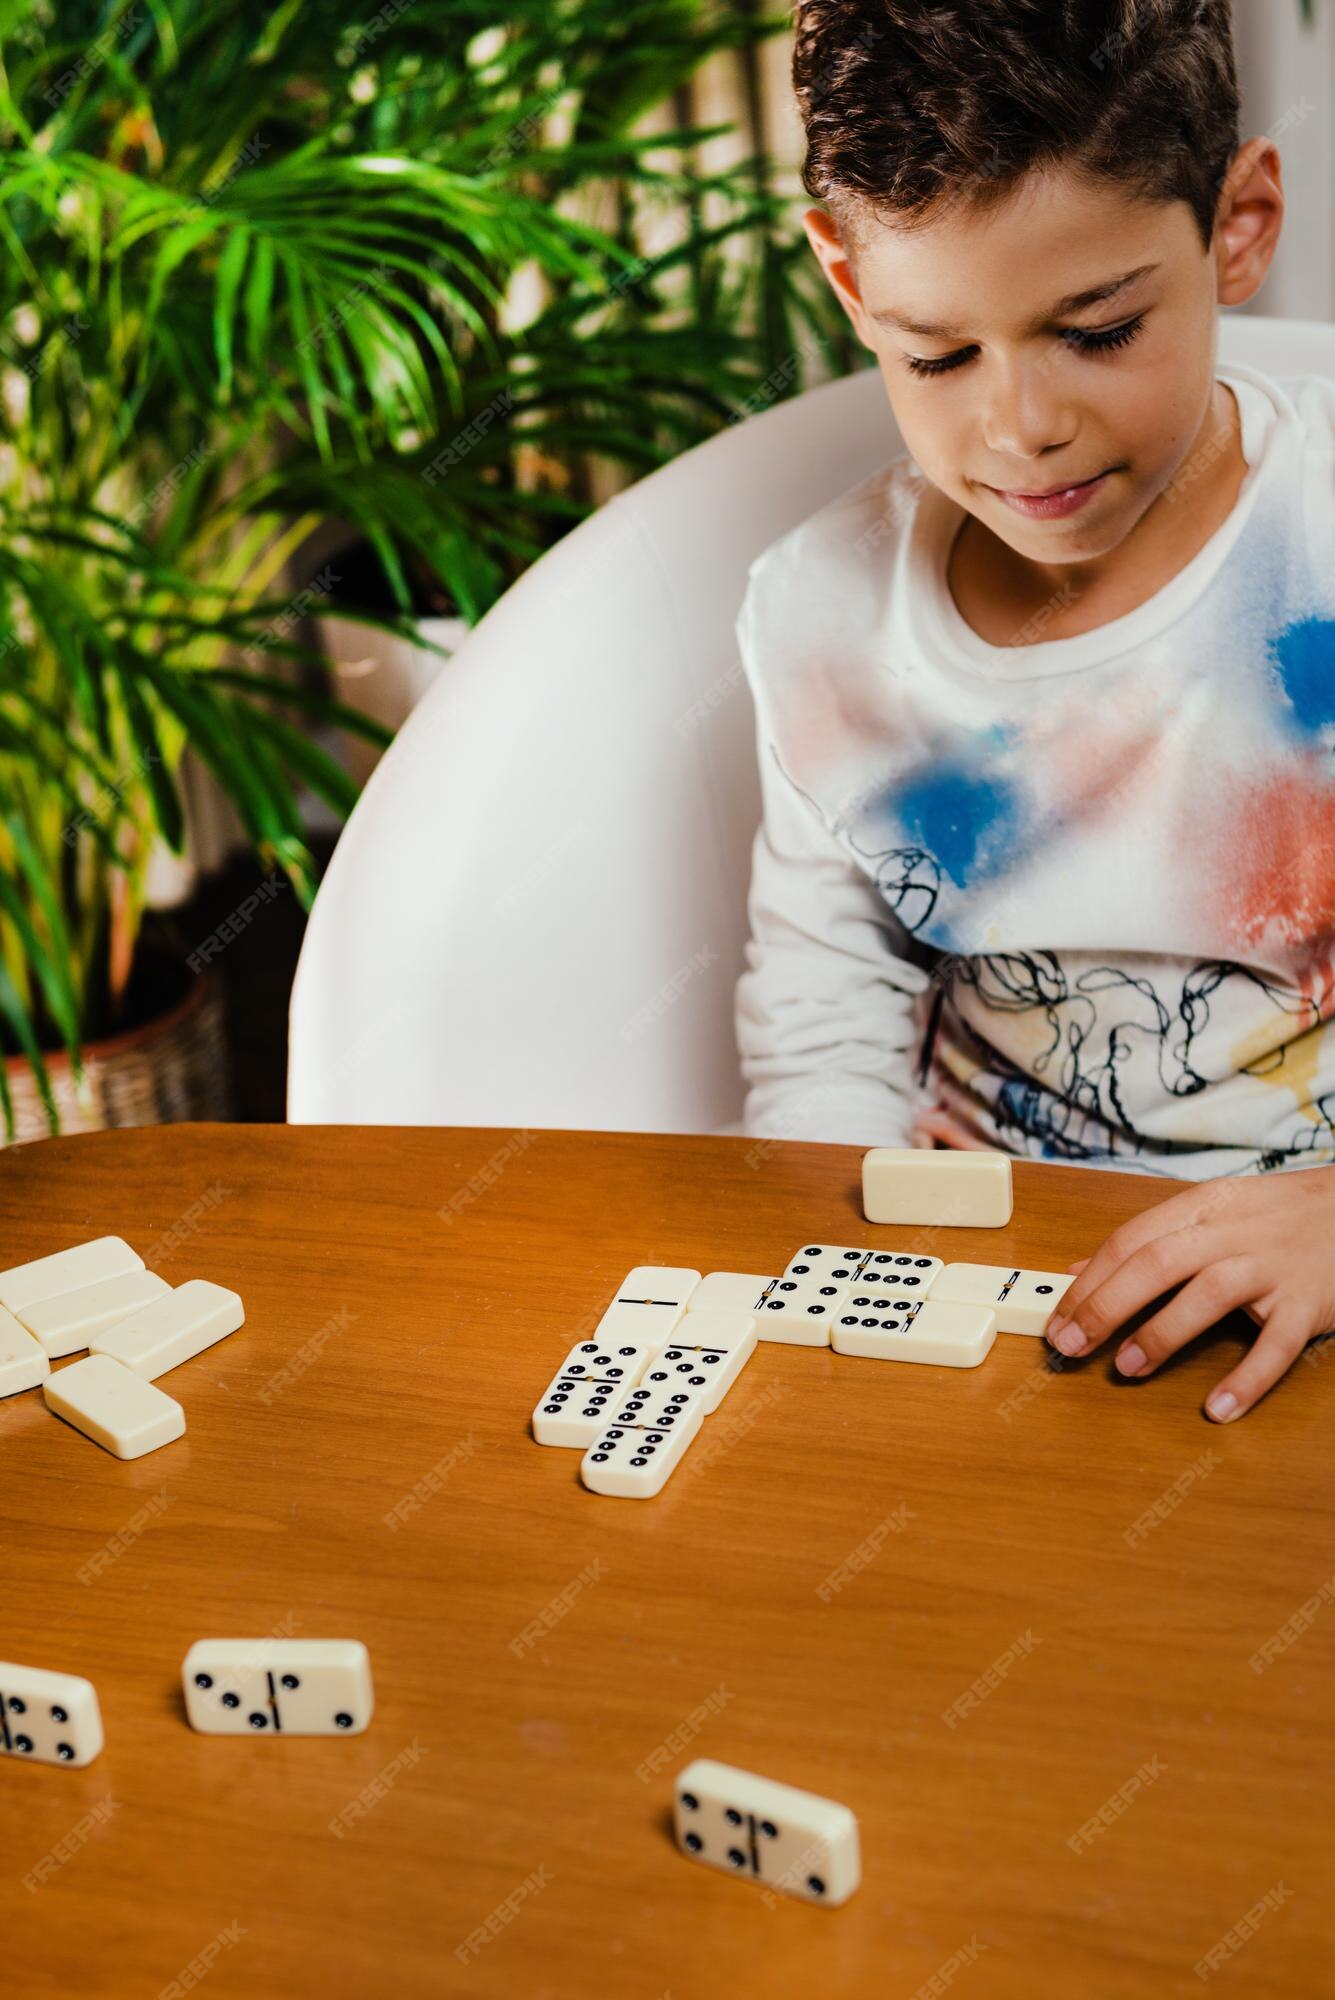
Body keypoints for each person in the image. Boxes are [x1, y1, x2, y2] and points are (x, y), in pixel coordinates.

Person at [734, 0, 1335, 1420]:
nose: (1021, 428)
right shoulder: (820, 615)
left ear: (1239, 226)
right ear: (848, 285)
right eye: (938, 355)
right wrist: (836, 1268)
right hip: (989, 1287)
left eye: (1099, 329)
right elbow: (826, 999)